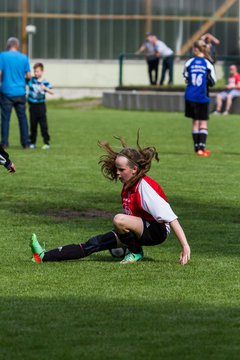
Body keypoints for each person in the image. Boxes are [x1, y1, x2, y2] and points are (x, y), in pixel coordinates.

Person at [30, 135, 191, 265]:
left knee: (119, 219)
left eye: (122, 169)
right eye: (117, 169)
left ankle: (135, 252)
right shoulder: (128, 184)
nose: (118, 173)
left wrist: (185, 246)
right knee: (93, 244)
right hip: (139, 229)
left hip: (157, 231)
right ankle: (43, 256)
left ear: (134, 169)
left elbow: (172, 218)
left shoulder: (145, 187)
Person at [183, 40, 216, 157]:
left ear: (195, 49)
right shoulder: (208, 63)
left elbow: (186, 77)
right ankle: (202, 148)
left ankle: (197, 149)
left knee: (195, 122)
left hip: (190, 95)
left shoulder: (189, 62)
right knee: (203, 123)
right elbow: (213, 81)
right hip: (202, 96)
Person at [0, 37, 31, 149]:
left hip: (6, 92)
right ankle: (25, 143)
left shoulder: (2, 56)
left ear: (8, 45)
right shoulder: (24, 57)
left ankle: (4, 143)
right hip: (20, 91)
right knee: (22, 118)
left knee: (5, 118)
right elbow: (28, 75)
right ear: (17, 45)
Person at [28, 63, 54, 150]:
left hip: (41, 106)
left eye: (37, 71)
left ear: (42, 71)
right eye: (34, 71)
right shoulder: (31, 80)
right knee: (33, 125)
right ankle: (32, 142)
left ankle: (46, 143)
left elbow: (52, 92)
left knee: (43, 125)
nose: (35, 73)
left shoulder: (45, 82)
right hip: (32, 105)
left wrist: (45, 88)